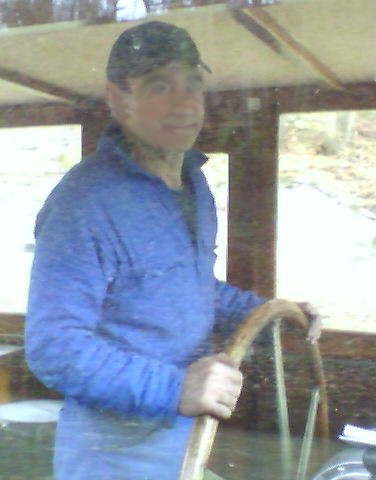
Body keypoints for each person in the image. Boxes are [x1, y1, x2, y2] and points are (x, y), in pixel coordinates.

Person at [24, 20, 321, 479]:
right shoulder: (84, 202)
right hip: (111, 449)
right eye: (160, 86)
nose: (184, 104)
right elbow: (54, 346)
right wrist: (174, 387)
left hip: (181, 435)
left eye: (193, 85)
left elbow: (191, 289)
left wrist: (271, 316)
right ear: (119, 98)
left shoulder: (192, 184)